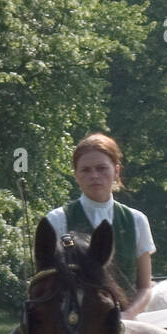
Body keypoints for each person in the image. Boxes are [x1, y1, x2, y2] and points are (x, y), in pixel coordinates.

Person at [45, 133, 156, 314]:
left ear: (116, 171)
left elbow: (145, 287)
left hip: (128, 319)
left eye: (102, 168)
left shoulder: (137, 220)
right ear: (76, 175)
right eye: (86, 170)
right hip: (75, 321)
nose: (94, 175)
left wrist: (128, 316)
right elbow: (49, 282)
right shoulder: (58, 220)